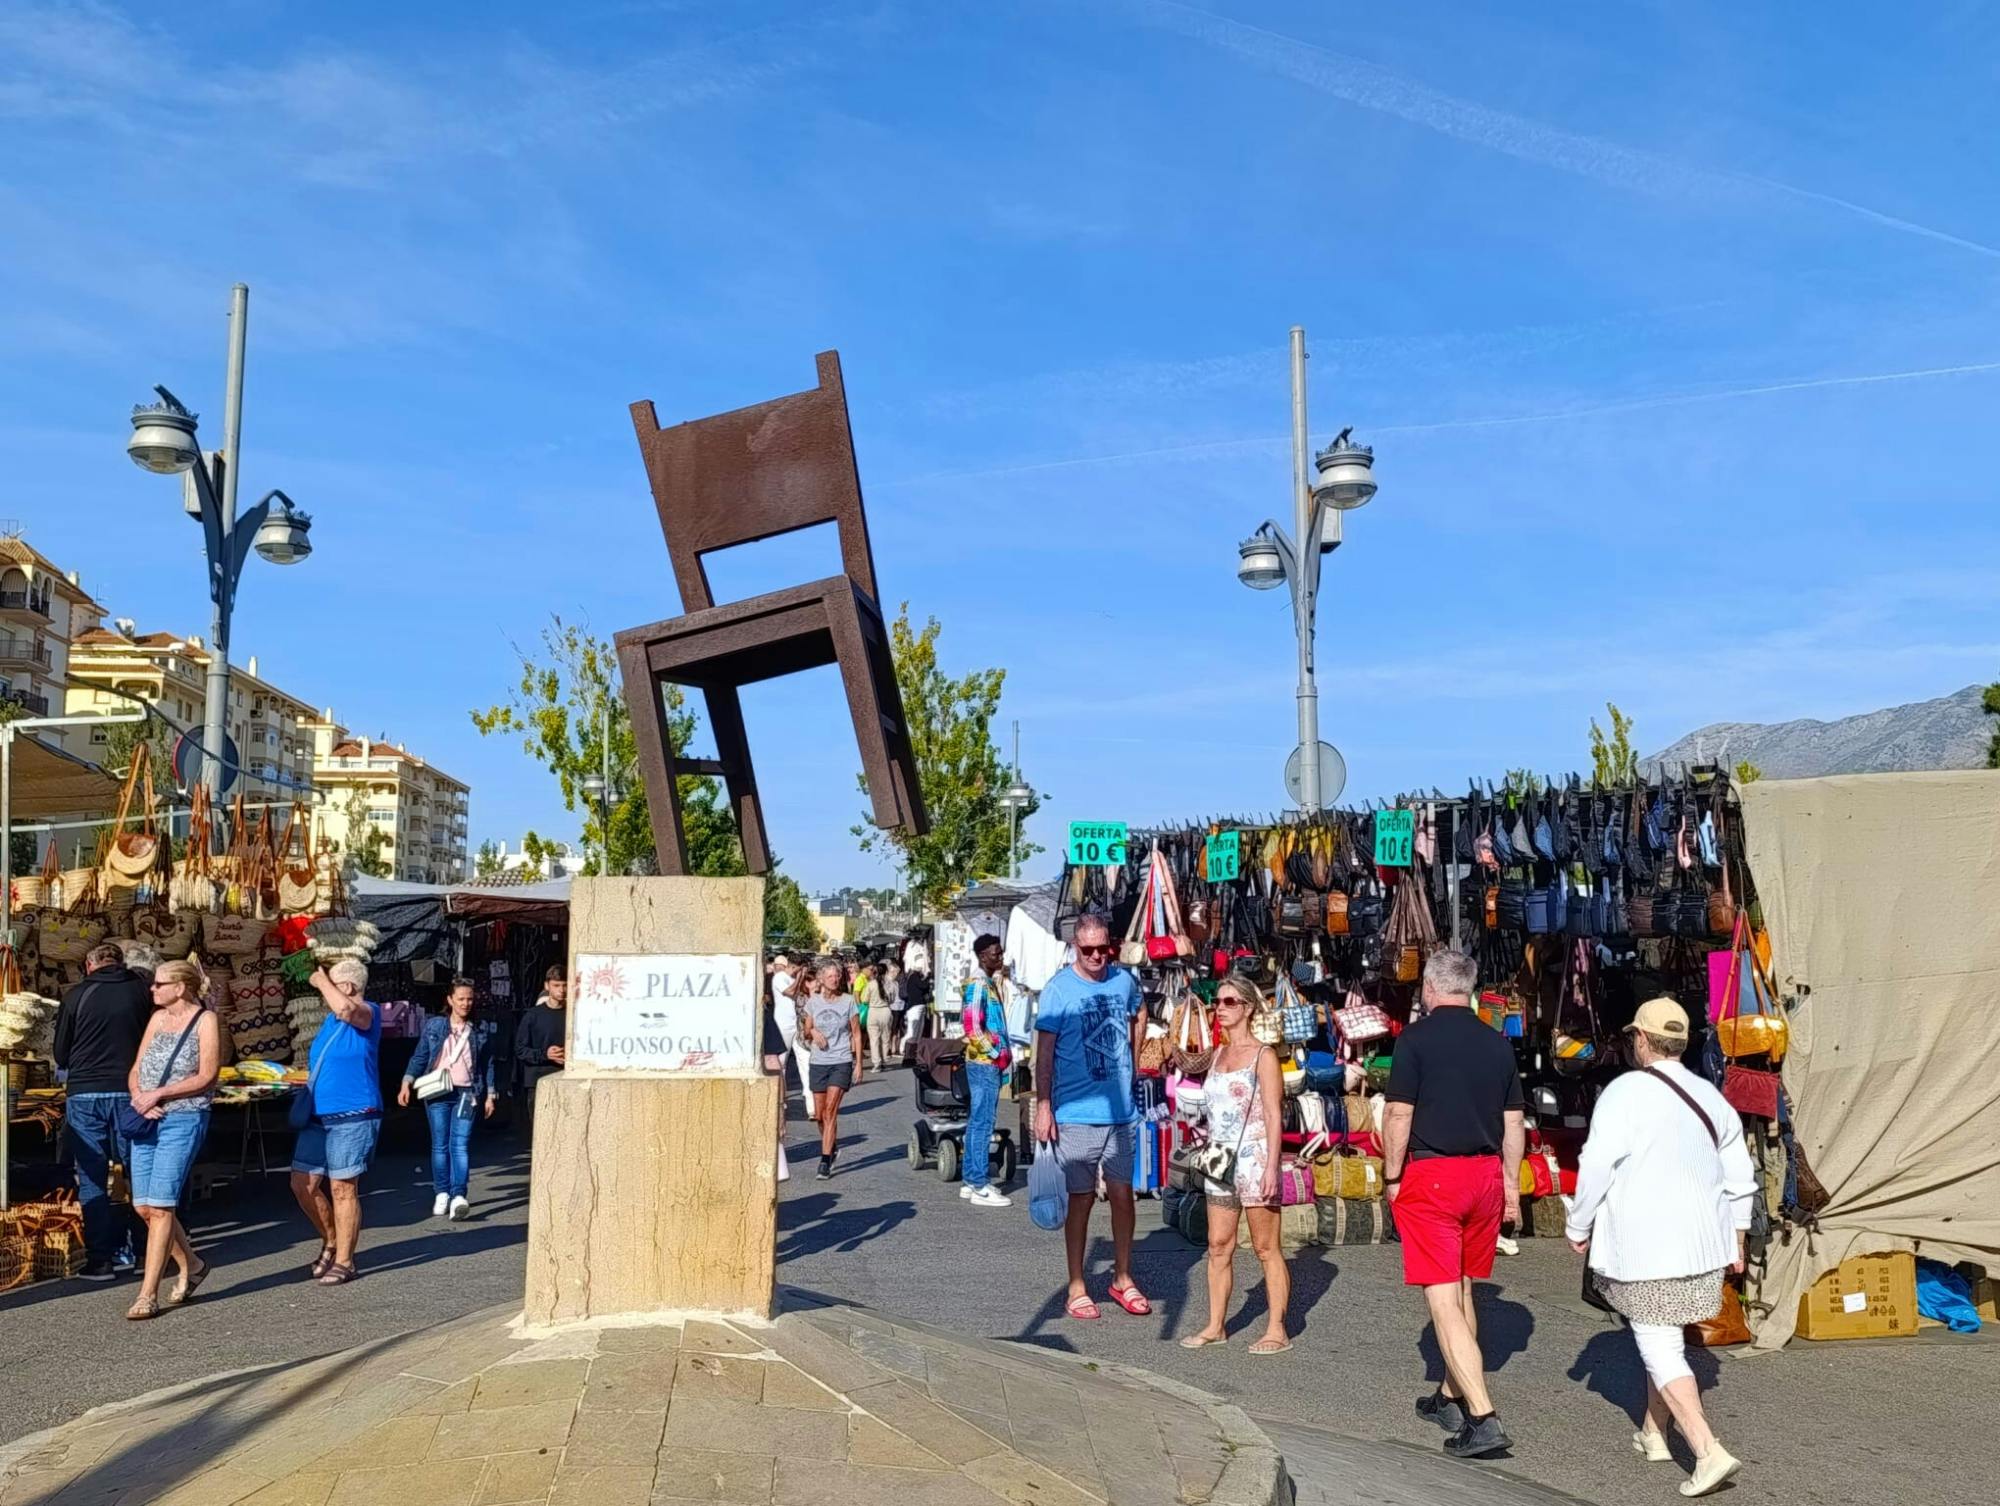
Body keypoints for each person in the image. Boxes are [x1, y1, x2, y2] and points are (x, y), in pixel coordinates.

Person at [1565, 997, 1757, 1498]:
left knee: (1658, 1343)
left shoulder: (1624, 1092)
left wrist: (1577, 1223)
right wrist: (1737, 1237)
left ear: (1642, 1041)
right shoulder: (1712, 1096)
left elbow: (1597, 1164)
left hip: (1644, 1244)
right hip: (1702, 1246)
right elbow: (1741, 1176)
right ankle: (1654, 1433)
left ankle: (1707, 1449)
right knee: (1666, 1334)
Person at [1383, 949, 1525, 1459]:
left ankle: (1483, 1417)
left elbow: (1399, 1114)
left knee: (1442, 1299)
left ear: (1428, 986)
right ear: (1468, 988)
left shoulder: (1414, 1041)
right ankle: (1449, 1395)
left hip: (1434, 1174)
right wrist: (1509, 1185)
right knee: (1463, 1285)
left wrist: (1392, 1174)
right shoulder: (1497, 1043)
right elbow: (1513, 1125)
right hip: (1484, 1174)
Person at [1033, 914, 1150, 1322]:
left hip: (1120, 1110)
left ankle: (1122, 1276)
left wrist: (1132, 1063)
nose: (1098, 956)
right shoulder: (1058, 990)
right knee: (1080, 1198)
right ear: (1075, 949)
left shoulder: (1124, 981)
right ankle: (1077, 1284)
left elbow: (1140, 1013)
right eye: (1089, 950)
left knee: (1123, 1195)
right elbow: (1043, 1051)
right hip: (1076, 1111)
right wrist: (1043, 1104)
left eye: (1104, 948)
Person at [1180, 975, 1290, 1354]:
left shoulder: (1264, 1055)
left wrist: (1272, 1166)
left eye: (1229, 1002)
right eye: (1218, 1002)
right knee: (1218, 1245)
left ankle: (1277, 1327)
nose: (1220, 1008)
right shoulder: (1217, 1055)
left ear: (1247, 1007)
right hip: (1220, 1159)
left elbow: (1275, 1115)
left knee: (1265, 1247)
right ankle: (1216, 1324)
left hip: (1255, 1157)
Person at [123, 959, 222, 1320]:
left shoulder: (205, 1020)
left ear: (180, 987)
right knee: (144, 1206)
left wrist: (160, 1093)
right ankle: (193, 1265)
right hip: (147, 1116)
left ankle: (147, 1294)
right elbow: (136, 1068)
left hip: (183, 1115)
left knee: (162, 1205)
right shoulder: (156, 1019)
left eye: (159, 984)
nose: (153, 989)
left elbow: (208, 1074)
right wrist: (139, 1096)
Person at [52, 941, 150, 1282]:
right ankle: (144, 1252)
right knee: (139, 1171)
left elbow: (61, 1054)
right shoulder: (143, 990)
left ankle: (101, 1260)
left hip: (85, 1093)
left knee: (92, 1175)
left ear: (89, 965)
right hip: (131, 1090)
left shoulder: (76, 995)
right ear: (120, 963)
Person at [291, 960, 382, 1286]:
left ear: (346, 986)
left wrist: (319, 979)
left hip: (353, 1115)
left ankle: (346, 1260)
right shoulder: (330, 1020)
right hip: (318, 1115)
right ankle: (331, 1239)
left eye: (330, 984)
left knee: (343, 1188)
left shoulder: (367, 1012)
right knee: (303, 1184)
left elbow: (347, 1010)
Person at [399, 978, 498, 1220]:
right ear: (450, 1000)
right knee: (440, 1145)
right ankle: (441, 1192)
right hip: (437, 1092)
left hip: (467, 1093)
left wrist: (491, 1094)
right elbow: (420, 1055)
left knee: (460, 1145)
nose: (466, 1003)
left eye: (470, 999)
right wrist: (406, 1082)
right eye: (461, 998)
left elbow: (488, 1063)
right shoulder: (435, 1026)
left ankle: (459, 1195)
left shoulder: (479, 1029)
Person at [958, 934, 1014, 1209]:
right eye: (996, 953)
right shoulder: (980, 984)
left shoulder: (988, 984)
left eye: (1001, 952)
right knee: (983, 1121)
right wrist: (994, 1052)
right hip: (983, 1063)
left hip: (984, 1063)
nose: (1000, 957)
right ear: (982, 956)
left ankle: (972, 1179)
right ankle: (978, 1183)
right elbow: (972, 1025)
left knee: (979, 1120)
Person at [804, 961, 862, 1180]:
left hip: (841, 1060)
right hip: (819, 1061)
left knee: (830, 1111)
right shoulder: (813, 1002)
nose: (835, 979)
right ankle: (833, 1146)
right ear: (821, 979)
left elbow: (856, 1033)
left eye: (837, 976)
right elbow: (806, 1028)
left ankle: (825, 1160)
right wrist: (813, 1032)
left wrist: (857, 1063)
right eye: (830, 976)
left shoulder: (848, 1002)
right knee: (819, 1116)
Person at [514, 966, 567, 1141]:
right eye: (556, 985)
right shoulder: (533, 1016)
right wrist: (545, 1054)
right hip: (537, 1082)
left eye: (564, 985)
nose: (561, 990)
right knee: (541, 1134)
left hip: (566, 1079)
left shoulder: (573, 1014)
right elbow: (520, 1049)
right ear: (547, 986)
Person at [791, 963, 822, 1123]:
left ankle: (819, 1105)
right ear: (807, 983)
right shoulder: (801, 999)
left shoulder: (823, 997)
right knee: (807, 1074)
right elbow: (804, 1017)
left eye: (818, 980)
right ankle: (812, 1109)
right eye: (814, 981)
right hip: (804, 1043)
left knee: (818, 1075)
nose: (818, 983)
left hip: (820, 1045)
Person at [864, 962, 893, 1072]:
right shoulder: (890, 983)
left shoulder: (871, 984)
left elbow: (865, 1000)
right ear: (886, 971)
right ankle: (885, 1058)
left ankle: (877, 1063)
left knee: (874, 1039)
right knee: (885, 1037)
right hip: (886, 1010)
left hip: (873, 1012)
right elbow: (893, 998)